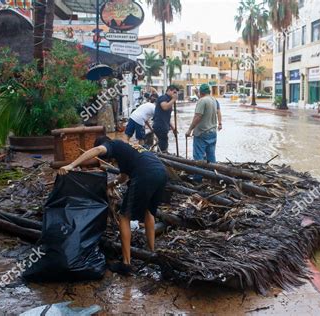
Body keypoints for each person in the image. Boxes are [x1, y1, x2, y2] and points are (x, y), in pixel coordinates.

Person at [58, 137, 168, 275]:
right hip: (161, 172)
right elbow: (122, 178)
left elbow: (97, 149)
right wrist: (110, 186)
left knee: (123, 217)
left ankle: (126, 264)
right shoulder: (128, 149)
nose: (108, 160)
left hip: (145, 174)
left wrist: (71, 165)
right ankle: (152, 252)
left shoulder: (112, 145)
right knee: (148, 212)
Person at [185, 84, 222, 164]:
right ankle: (212, 174)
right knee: (211, 156)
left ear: (201, 92)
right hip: (212, 132)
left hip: (202, 133)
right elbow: (218, 112)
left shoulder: (202, 101)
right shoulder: (214, 100)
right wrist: (220, 123)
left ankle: (198, 176)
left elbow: (198, 116)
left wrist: (190, 129)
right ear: (209, 91)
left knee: (199, 157)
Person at [153, 85, 179, 153]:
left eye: (176, 93)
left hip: (164, 126)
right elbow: (165, 107)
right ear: (169, 90)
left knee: (163, 144)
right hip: (160, 126)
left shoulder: (169, 100)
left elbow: (167, 117)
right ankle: (161, 158)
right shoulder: (163, 97)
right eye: (174, 92)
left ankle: (161, 156)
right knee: (163, 145)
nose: (175, 94)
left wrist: (173, 128)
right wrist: (173, 99)